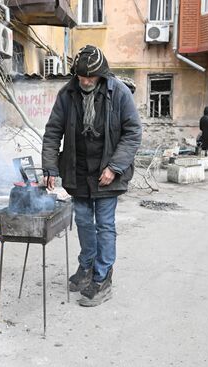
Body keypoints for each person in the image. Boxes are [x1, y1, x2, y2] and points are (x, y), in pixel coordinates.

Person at [41, 45, 142, 307]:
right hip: (79, 170)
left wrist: (115, 167)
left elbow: (133, 133)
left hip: (108, 171)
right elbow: (53, 132)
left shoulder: (118, 93)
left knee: (104, 224)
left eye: (91, 77)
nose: (85, 81)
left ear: (101, 75)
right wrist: (50, 167)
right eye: (81, 77)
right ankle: (86, 267)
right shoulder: (67, 94)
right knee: (84, 222)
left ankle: (102, 277)